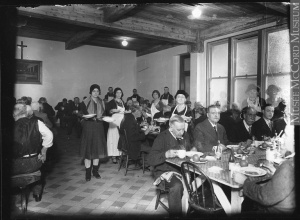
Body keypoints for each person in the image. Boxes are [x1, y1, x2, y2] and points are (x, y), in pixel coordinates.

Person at [148, 115, 195, 217]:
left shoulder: (185, 135)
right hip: (165, 171)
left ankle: (190, 209)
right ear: (170, 126)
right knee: (177, 186)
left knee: (199, 182)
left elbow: (190, 148)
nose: (181, 132)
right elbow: (150, 159)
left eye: (183, 129)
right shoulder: (162, 137)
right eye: (178, 130)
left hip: (183, 169)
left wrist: (193, 149)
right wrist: (165, 154)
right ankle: (176, 215)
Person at [12, 103, 53, 202]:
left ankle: (16, 196)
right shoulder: (36, 122)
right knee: (39, 173)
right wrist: (44, 150)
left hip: (15, 165)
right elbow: (49, 134)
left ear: (14, 114)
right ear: (27, 113)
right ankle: (37, 194)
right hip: (33, 162)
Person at [80, 84, 107, 181]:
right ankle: (87, 173)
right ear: (90, 92)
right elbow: (81, 114)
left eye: (97, 91)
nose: (96, 93)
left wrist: (105, 118)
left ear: (99, 92)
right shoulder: (84, 102)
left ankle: (95, 171)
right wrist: (83, 116)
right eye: (94, 91)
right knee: (88, 150)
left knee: (97, 150)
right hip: (88, 127)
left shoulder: (102, 102)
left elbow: (103, 115)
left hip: (99, 127)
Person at [106, 87, 126, 164]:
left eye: (120, 93)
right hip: (114, 122)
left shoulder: (122, 101)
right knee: (113, 138)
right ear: (115, 94)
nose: (119, 94)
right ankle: (113, 156)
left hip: (121, 122)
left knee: (119, 138)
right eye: (117, 92)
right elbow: (108, 111)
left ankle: (119, 154)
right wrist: (112, 111)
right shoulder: (111, 102)